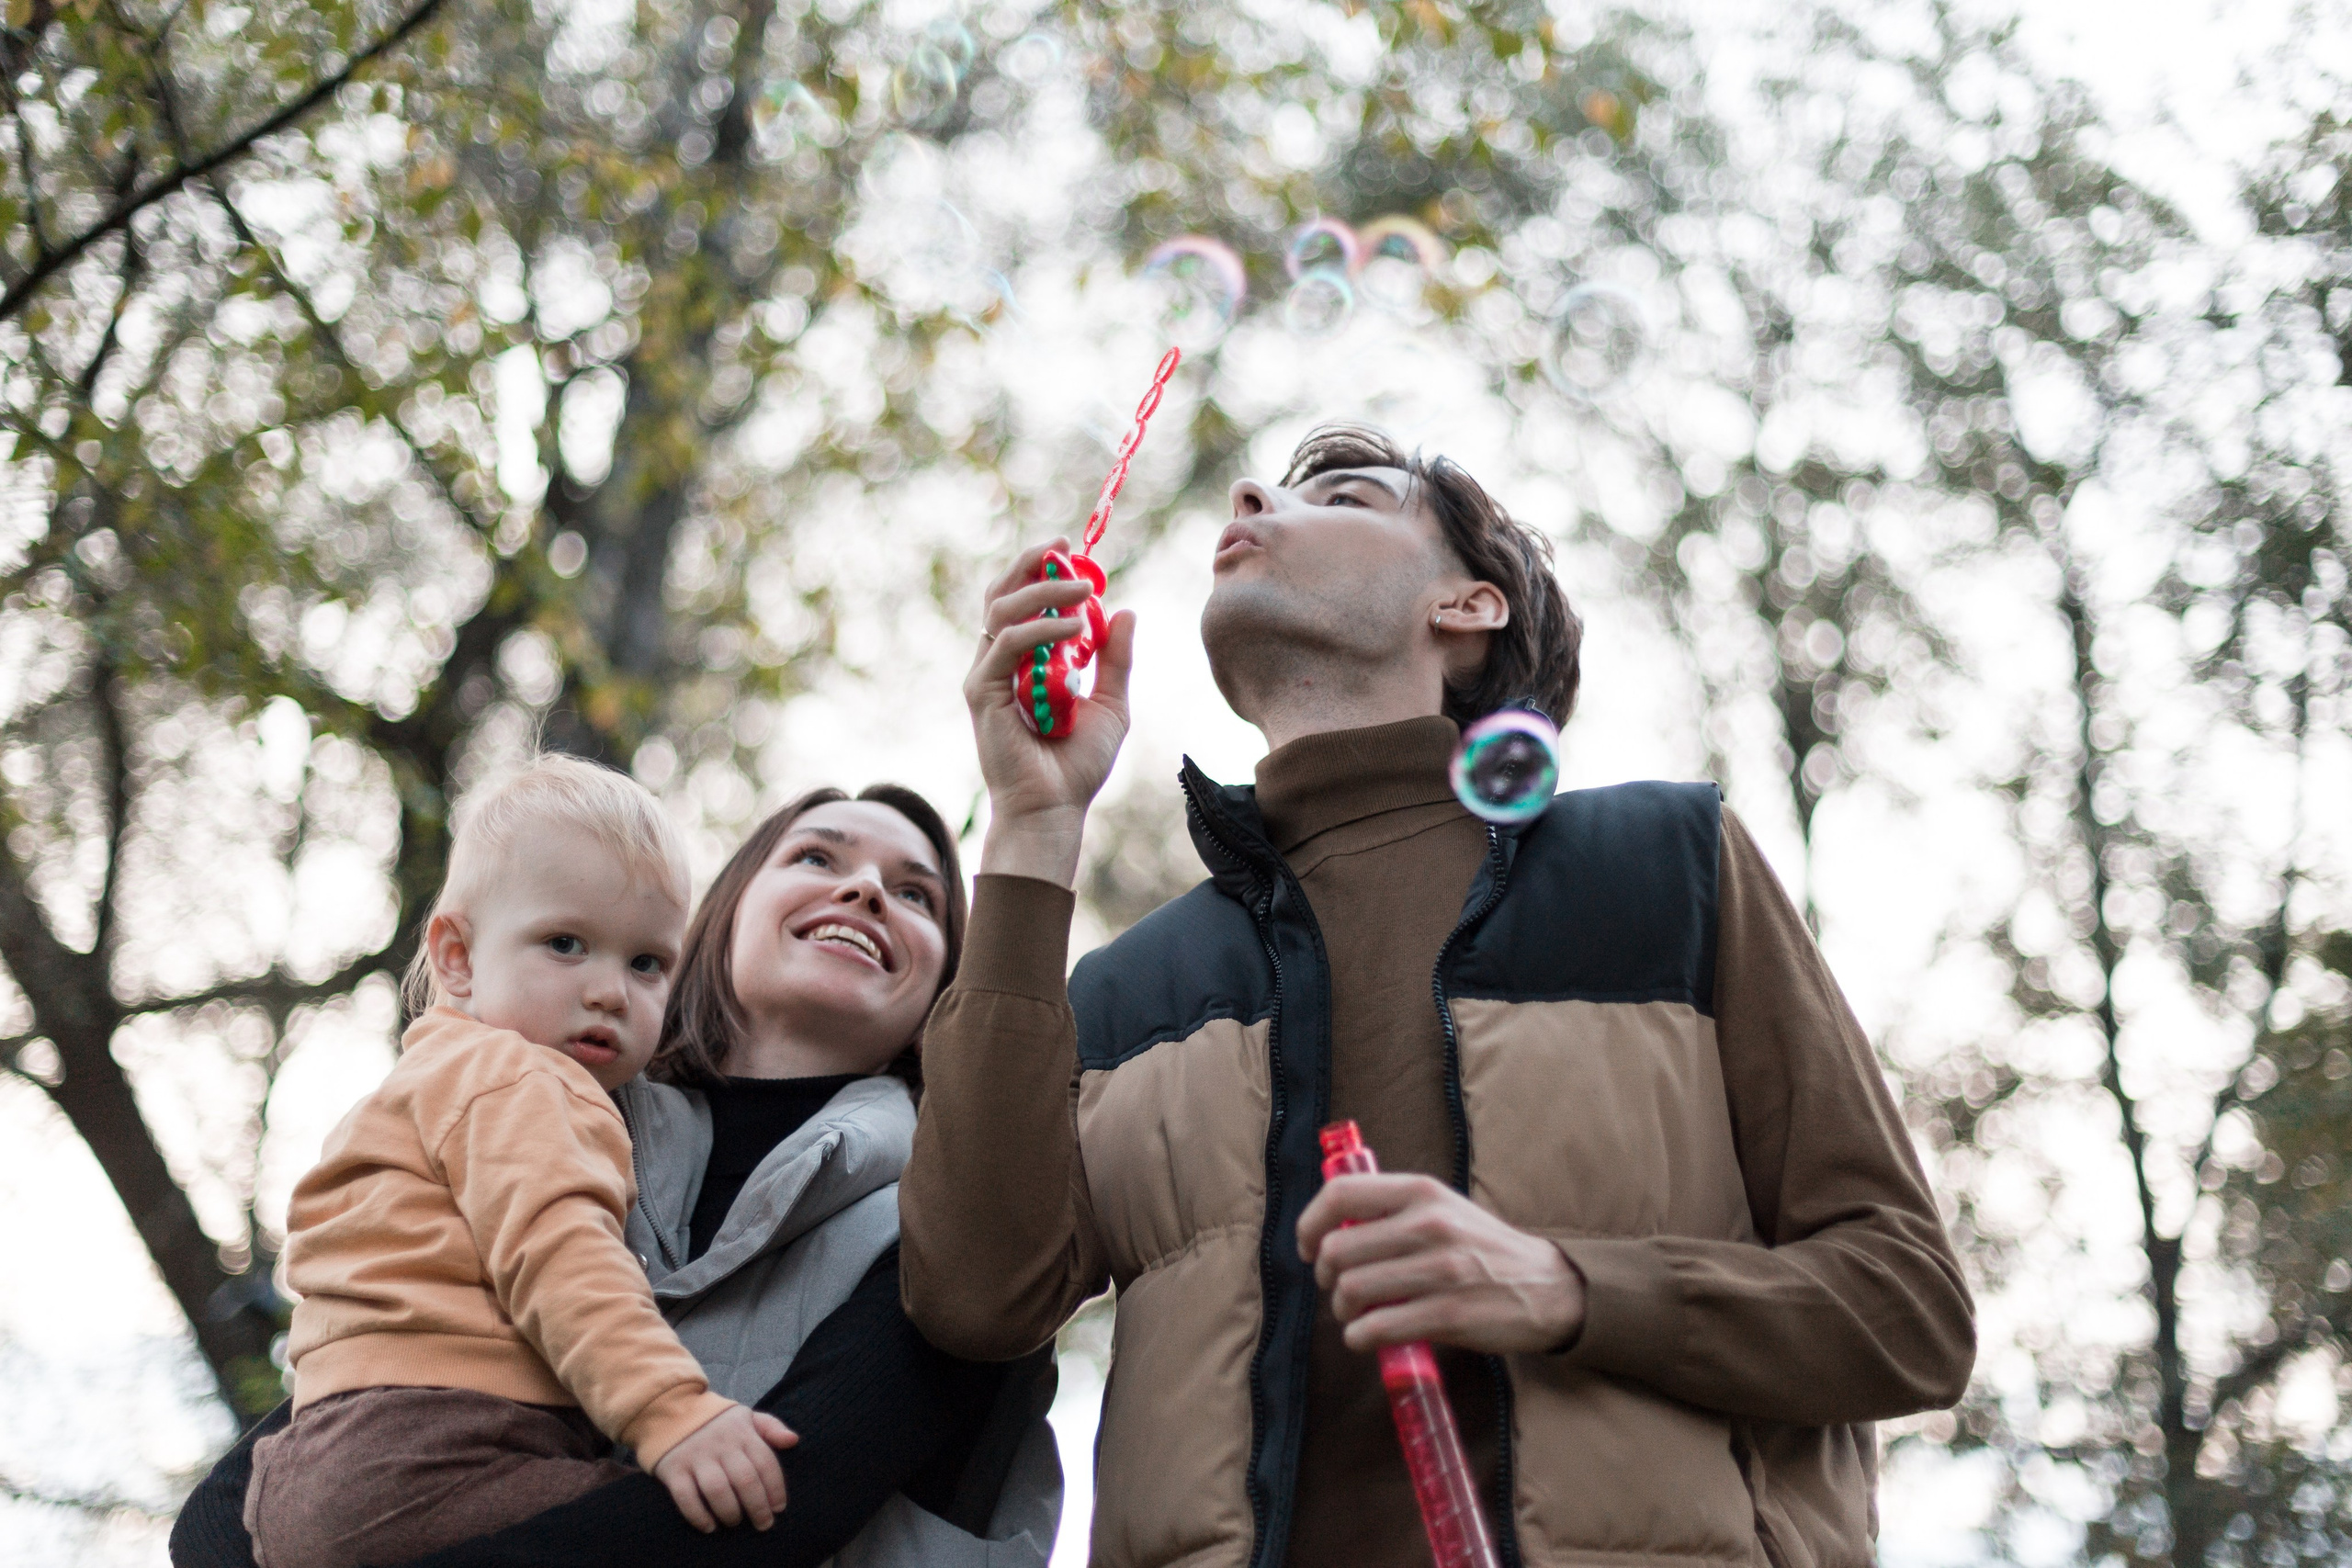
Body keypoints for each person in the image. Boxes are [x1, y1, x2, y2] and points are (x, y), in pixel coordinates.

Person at [900, 423, 1977, 1568]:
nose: (1251, 493)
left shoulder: (1668, 866)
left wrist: (1563, 1288)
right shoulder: (1128, 988)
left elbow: (1909, 1311)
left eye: (1347, 496)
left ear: (1468, 607)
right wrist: (1034, 825)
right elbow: (974, 1298)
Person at [172, 783, 1058, 1568]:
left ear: (946, 985)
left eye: (915, 893)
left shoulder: (957, 1224)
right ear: (723, 919)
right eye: (817, 857)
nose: (865, 889)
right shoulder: (533, 1098)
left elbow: (775, 1512)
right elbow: (243, 1500)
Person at [239, 754, 791, 1568]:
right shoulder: (522, 1078)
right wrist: (673, 1411)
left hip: (306, 1465)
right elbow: (560, 1254)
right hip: (442, 1448)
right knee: (706, 1532)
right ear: (457, 957)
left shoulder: (426, 1080)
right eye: (565, 943)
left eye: (646, 962)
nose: (609, 990)